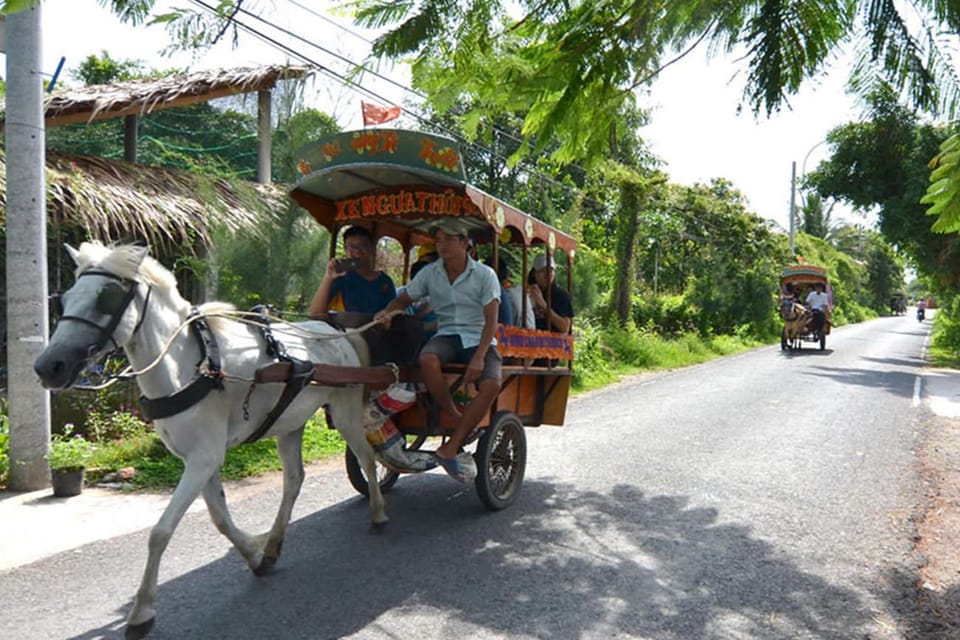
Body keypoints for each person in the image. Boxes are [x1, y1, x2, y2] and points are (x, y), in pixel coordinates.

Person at [374, 219, 501, 482]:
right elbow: (404, 298)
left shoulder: (485, 275)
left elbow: (491, 320)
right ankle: (454, 414)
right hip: (448, 335)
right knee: (427, 358)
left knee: (491, 384)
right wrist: (388, 311)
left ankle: (450, 447)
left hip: (480, 336)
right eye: (439, 240)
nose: (442, 245)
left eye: (449, 239)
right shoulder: (430, 273)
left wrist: (479, 357)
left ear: (465, 243)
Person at [308, 226, 395, 317]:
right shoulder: (340, 277)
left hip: (377, 328)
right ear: (346, 250)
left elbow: (392, 312)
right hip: (347, 328)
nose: (357, 251)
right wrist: (328, 277)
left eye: (362, 246)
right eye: (351, 247)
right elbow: (316, 313)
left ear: (371, 249)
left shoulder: (385, 281)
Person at [527, 254, 573, 333]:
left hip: (555, 342)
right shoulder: (529, 291)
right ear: (535, 274)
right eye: (543, 270)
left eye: (551, 270)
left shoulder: (561, 295)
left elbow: (565, 328)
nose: (547, 274)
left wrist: (544, 306)